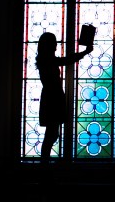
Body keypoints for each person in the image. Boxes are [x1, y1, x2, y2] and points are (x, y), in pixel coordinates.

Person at [36, 32, 93, 165]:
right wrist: (84, 52)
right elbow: (66, 60)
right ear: (49, 45)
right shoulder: (48, 60)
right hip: (53, 99)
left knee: (51, 134)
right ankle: (44, 165)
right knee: (51, 134)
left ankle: (44, 164)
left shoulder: (45, 60)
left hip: (51, 98)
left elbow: (65, 60)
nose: (56, 45)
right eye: (54, 43)